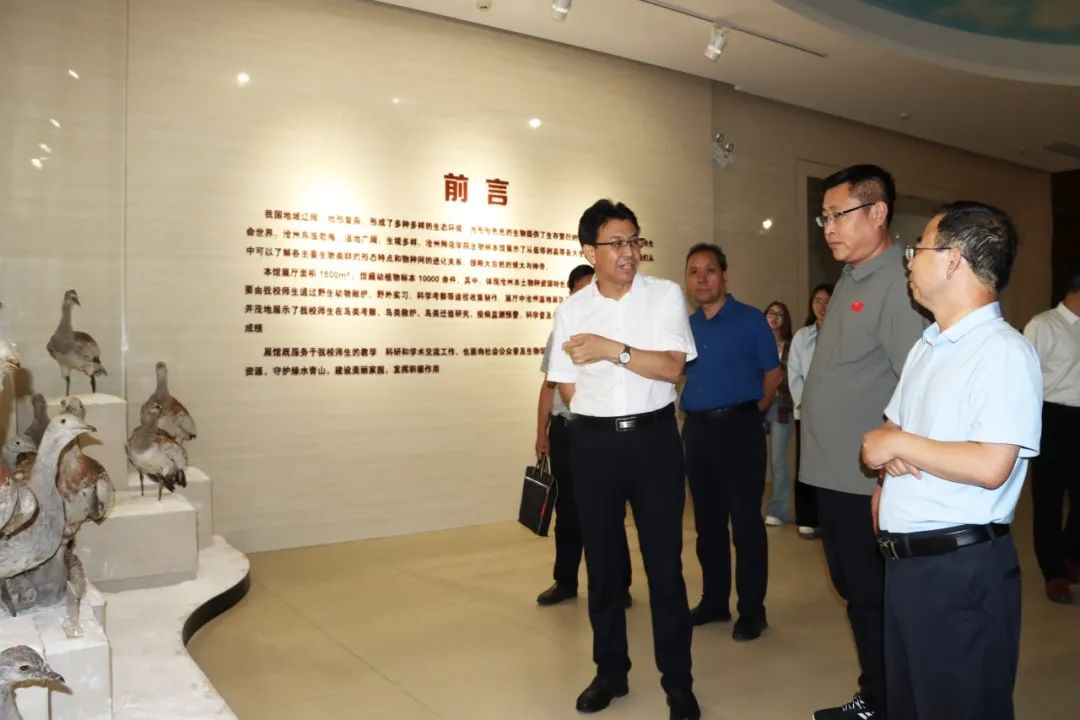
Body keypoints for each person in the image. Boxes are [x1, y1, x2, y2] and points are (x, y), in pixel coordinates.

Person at [862, 201, 1042, 720]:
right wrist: (890, 457)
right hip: (908, 568)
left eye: (917, 248)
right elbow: (891, 431)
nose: (909, 260)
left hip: (960, 574)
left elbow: (991, 465)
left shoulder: (1002, 351)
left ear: (953, 258)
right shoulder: (929, 345)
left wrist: (898, 447)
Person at [547, 199, 700, 720]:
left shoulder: (663, 295)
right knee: (604, 565)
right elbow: (565, 382)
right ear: (590, 252)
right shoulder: (571, 308)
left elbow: (673, 368)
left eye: (634, 240)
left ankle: (678, 681)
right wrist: (595, 413)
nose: (629, 251)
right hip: (593, 445)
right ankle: (610, 672)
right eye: (616, 243)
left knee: (664, 566)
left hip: (653, 441)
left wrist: (614, 350)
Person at [802, 164, 929, 720]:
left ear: (878, 213)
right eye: (824, 217)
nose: (828, 227)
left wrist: (885, 477)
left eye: (839, 214)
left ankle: (888, 703)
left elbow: (915, 389)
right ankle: (877, 695)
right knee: (857, 593)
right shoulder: (851, 280)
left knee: (875, 599)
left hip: (864, 482)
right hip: (832, 473)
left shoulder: (898, 286)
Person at [681, 243, 782, 642]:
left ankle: (752, 610)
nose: (701, 278)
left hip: (740, 429)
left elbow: (772, 375)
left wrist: (750, 413)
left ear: (724, 276)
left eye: (709, 270)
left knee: (745, 523)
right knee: (707, 524)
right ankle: (714, 602)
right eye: (693, 272)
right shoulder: (685, 326)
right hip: (697, 431)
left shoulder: (750, 320)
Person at [535, 264, 633, 607]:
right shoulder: (559, 333)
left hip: (601, 432)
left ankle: (617, 585)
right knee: (568, 511)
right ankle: (565, 581)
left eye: (591, 287)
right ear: (570, 293)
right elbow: (548, 387)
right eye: (579, 289)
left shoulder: (613, 333)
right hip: (566, 430)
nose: (586, 294)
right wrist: (541, 432)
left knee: (609, 511)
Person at [1023, 271, 1080, 604]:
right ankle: (1053, 571)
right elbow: (1024, 378)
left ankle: (1071, 554)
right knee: (1049, 498)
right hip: (1052, 418)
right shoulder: (1043, 325)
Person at [788, 283, 832, 539]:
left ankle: (830, 518)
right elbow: (794, 374)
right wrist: (804, 403)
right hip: (806, 412)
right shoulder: (803, 336)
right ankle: (806, 518)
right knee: (806, 464)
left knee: (832, 465)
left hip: (836, 413)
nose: (822, 306)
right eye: (817, 300)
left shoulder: (843, 332)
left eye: (827, 300)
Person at [763, 301, 795, 527]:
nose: (774, 317)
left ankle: (779, 510)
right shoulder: (757, 342)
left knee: (778, 460)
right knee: (753, 458)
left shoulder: (792, 345)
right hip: (757, 404)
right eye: (771, 313)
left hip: (782, 405)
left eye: (780, 314)